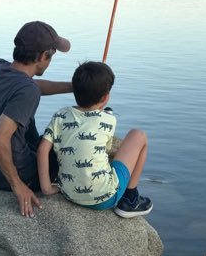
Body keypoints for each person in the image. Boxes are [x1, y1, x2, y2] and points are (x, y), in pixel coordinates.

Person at [0, 20, 72, 218]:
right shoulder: (27, 91)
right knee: (68, 145)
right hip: (7, 175)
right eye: (52, 57)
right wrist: (18, 185)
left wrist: (72, 87)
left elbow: (33, 86)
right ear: (43, 56)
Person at [37, 61, 153, 218]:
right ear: (106, 97)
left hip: (69, 193)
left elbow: (43, 149)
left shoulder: (59, 115)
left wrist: (46, 188)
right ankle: (131, 199)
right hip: (105, 199)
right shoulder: (108, 119)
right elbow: (105, 148)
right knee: (139, 135)